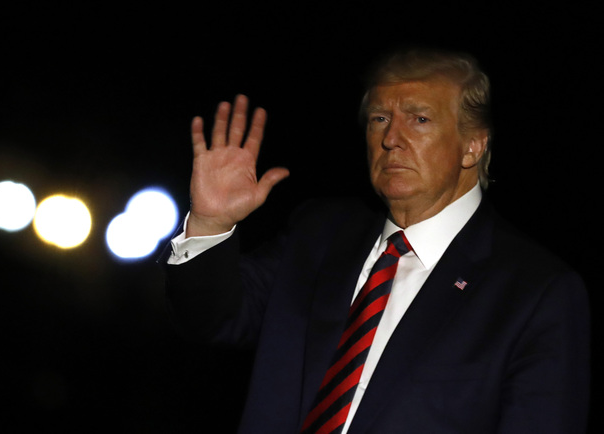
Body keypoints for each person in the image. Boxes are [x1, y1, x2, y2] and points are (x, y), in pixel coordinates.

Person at [159, 48, 590, 433]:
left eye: (419, 119)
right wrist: (210, 224)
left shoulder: (537, 293)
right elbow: (210, 319)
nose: (391, 139)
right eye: (380, 118)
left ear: (473, 146)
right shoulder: (319, 235)